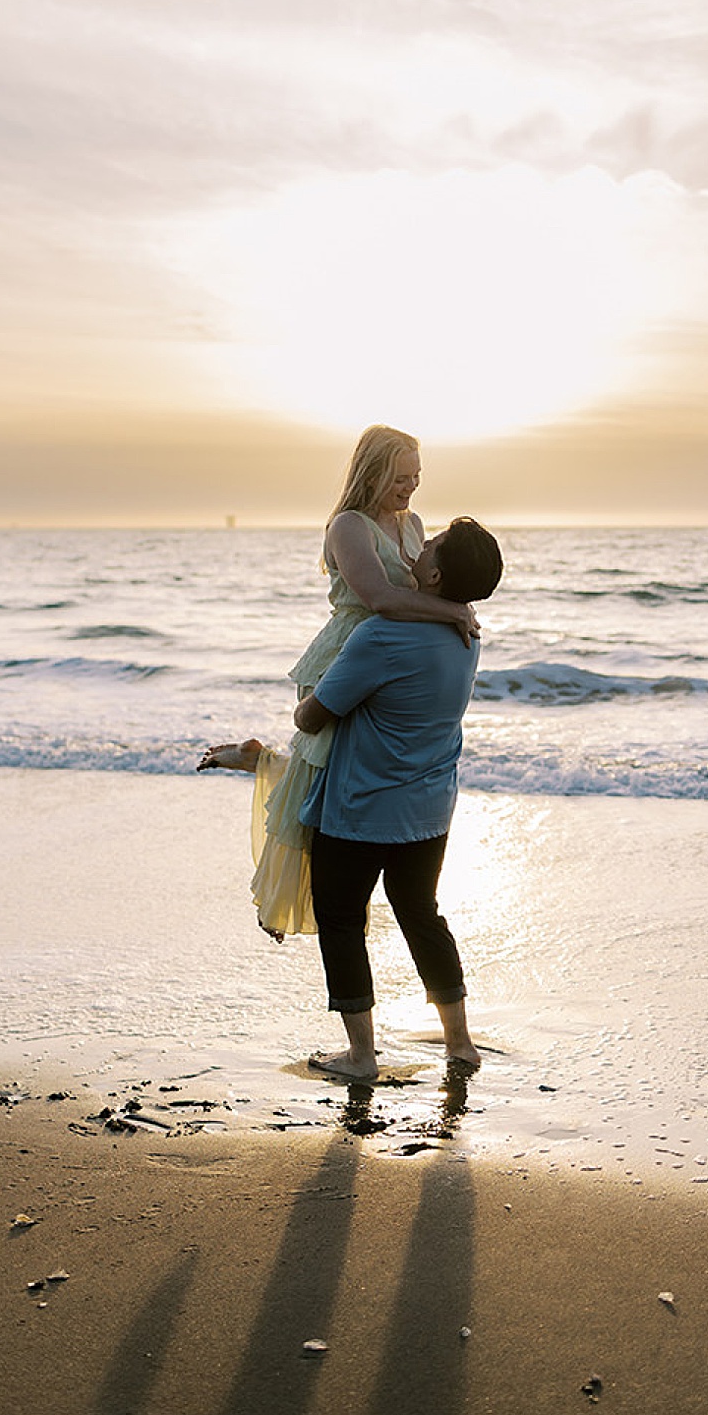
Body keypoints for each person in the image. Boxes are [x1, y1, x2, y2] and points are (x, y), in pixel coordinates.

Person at [199, 427, 477, 940]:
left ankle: (258, 759)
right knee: (325, 779)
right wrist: (454, 611)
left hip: (391, 657)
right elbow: (377, 597)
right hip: (350, 654)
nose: (411, 487)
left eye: (417, 476)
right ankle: (285, 895)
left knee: (347, 773)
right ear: (372, 474)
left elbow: (421, 590)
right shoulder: (349, 526)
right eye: (400, 478)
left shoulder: (413, 523)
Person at [292, 516, 504, 1081]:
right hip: (430, 809)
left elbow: (314, 717)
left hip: (361, 809)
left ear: (433, 575)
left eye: (432, 544)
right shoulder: (466, 634)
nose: (421, 542)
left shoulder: (381, 637)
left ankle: (361, 1056)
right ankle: (460, 1043)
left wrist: (303, 702)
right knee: (421, 915)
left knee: (341, 918)